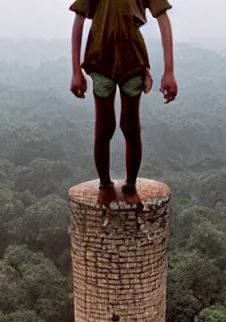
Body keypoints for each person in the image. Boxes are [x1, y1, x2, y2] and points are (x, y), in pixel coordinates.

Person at [69, 0, 178, 208]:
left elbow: (163, 18)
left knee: (131, 127)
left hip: (132, 60)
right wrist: (76, 72)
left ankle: (130, 186)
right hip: (100, 59)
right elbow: (79, 22)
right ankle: (105, 186)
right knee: (104, 127)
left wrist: (169, 71)